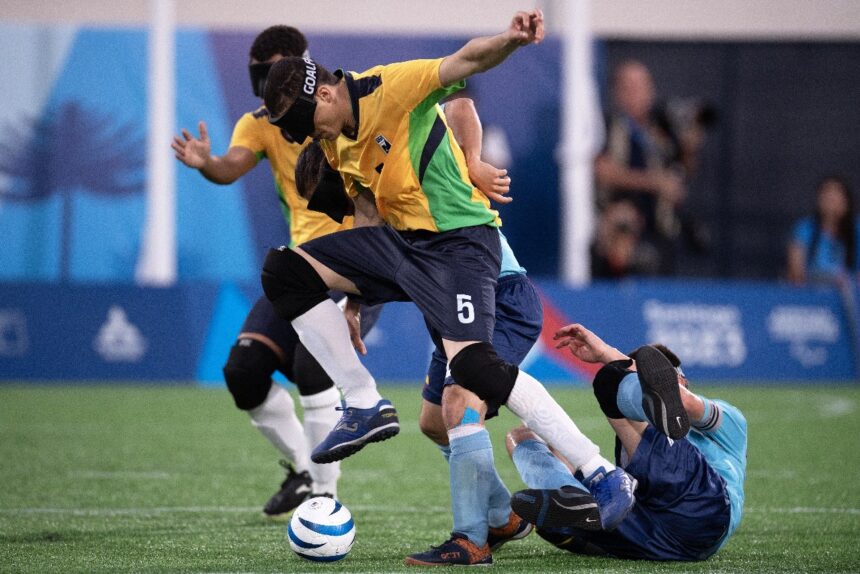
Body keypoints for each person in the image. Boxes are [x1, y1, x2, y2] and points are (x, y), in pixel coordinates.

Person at [260, 9, 636, 565]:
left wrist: (510, 43)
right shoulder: (339, 141)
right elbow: (367, 212)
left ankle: (595, 477)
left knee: (470, 383)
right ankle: (363, 404)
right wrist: (357, 299)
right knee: (285, 272)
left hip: (463, 247)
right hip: (409, 252)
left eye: (303, 126)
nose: (307, 139)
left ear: (325, 96)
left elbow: (465, 69)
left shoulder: (391, 86)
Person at [294, 96, 539, 561]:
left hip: (499, 294)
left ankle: (471, 541)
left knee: (457, 403)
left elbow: (462, 105)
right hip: (452, 303)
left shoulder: (402, 150)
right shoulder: (376, 193)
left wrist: (472, 164)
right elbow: (370, 239)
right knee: (433, 423)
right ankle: (504, 516)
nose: (344, 204)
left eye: (339, 194)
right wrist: (355, 302)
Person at [170, 25, 382, 518]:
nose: (271, 88)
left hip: (353, 261)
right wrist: (207, 163)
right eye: (263, 77)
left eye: (279, 75)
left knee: (313, 366)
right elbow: (230, 168)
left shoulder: (346, 110)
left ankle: (326, 497)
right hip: (299, 266)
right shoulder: (260, 123)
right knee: (242, 371)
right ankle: (307, 471)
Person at [509, 322, 747, 561]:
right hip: (667, 540)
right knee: (520, 438)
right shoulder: (635, 446)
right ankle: (569, 492)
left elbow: (687, 403)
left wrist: (605, 354)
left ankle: (577, 510)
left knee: (609, 380)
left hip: (704, 510)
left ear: (680, 380)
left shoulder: (731, 420)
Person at [594, 60, 710, 274]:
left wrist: (690, 149)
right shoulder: (608, 125)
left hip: (660, 223)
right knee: (623, 221)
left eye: (641, 86)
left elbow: (680, 174)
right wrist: (653, 183)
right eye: (629, 87)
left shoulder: (661, 130)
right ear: (617, 93)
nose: (636, 94)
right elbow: (601, 171)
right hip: (621, 218)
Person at [787, 176, 859, 286]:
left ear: (846, 201)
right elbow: (796, 271)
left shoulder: (857, 229)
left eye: (836, 198)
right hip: (813, 292)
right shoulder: (805, 228)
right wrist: (830, 279)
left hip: (851, 293)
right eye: (827, 197)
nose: (831, 202)